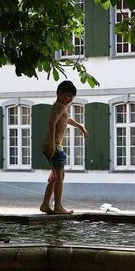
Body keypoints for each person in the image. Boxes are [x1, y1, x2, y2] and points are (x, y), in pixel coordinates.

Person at [40, 81, 89, 215]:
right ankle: (58, 206)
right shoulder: (60, 106)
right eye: (68, 96)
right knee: (59, 176)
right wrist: (52, 144)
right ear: (59, 92)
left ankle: (45, 204)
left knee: (56, 176)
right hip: (55, 145)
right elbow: (51, 123)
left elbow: (66, 119)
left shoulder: (60, 107)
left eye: (72, 98)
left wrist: (80, 126)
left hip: (52, 144)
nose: (69, 100)